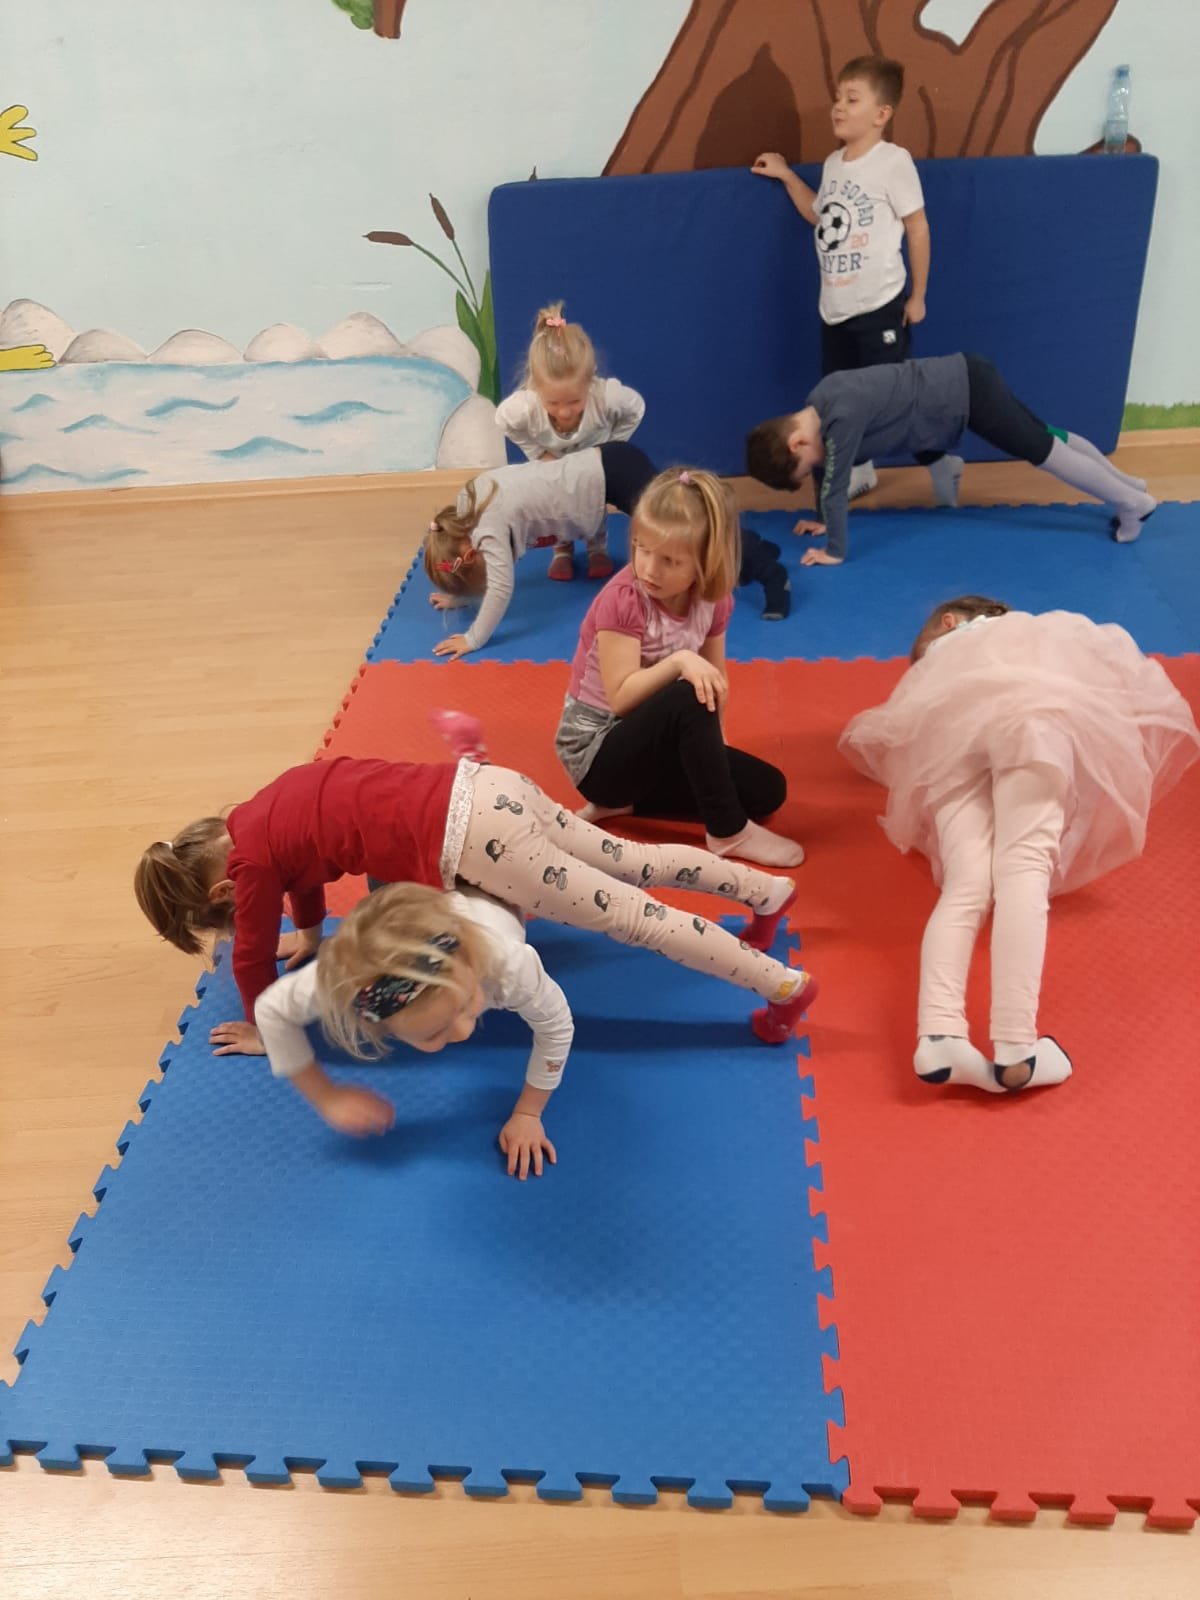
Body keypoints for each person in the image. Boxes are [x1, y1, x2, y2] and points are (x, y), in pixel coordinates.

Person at [133, 754, 817, 1056]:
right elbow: (302, 876)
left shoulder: (249, 868)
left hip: (483, 842)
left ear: (223, 892)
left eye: (230, 915)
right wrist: (311, 936)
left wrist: (264, 1025)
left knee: (637, 918)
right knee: (631, 860)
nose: (248, 915)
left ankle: (781, 986)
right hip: (489, 786)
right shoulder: (264, 811)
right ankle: (764, 892)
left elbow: (252, 956)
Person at [839, 596, 1199, 1091]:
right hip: (1029, 722)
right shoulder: (1025, 635)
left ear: (949, 623)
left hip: (946, 743)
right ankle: (1016, 1048)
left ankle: (940, 1033)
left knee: (966, 886)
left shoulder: (940, 674)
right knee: (1023, 870)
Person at [555, 467, 804, 869]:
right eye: (641, 549)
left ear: (704, 561)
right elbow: (621, 699)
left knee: (767, 791)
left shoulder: (713, 600)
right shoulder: (624, 600)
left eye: (669, 560)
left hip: (653, 748)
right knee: (688, 687)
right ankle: (727, 831)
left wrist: (713, 755)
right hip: (597, 755)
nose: (650, 569)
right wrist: (679, 661)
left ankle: (626, 805)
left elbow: (716, 680)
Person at [251, 883, 572, 1179]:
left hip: (507, 878)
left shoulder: (507, 964)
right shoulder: (347, 982)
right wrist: (326, 1096)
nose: (463, 1032)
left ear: (471, 964)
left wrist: (528, 1113)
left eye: (466, 1002)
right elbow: (271, 1010)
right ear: (378, 1026)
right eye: (433, 1034)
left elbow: (556, 1026)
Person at [744, 353, 1156, 565]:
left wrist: (834, 550)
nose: (817, 466)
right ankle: (1130, 485)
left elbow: (834, 483)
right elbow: (829, 475)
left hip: (967, 395)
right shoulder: (821, 398)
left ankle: (1132, 503)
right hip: (968, 374)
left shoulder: (841, 417)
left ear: (797, 442)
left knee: (1043, 451)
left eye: (808, 464)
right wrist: (823, 518)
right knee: (1047, 435)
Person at [753, 54, 931, 501]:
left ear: (881, 114)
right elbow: (820, 215)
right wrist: (787, 176)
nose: (838, 106)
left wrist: (918, 296)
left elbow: (917, 227)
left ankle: (938, 457)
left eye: (852, 99)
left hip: (879, 305)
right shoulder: (834, 163)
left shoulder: (893, 161)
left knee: (890, 398)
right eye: (837, 97)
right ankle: (859, 470)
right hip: (835, 310)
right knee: (840, 401)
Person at [423, 441, 656, 657]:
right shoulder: (468, 500)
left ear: (471, 555)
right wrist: (463, 595)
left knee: (667, 525)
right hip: (606, 459)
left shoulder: (488, 530)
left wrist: (472, 639)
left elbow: (500, 588)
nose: (492, 565)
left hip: (615, 474)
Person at [495, 304, 645, 581]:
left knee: (594, 502)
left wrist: (612, 448)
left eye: (575, 401)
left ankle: (597, 549)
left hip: (594, 466)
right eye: (553, 402)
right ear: (537, 388)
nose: (564, 412)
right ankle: (562, 550)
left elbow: (636, 408)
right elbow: (502, 420)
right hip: (557, 467)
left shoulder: (606, 397)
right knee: (557, 507)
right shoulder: (525, 407)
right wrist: (538, 452)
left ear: (590, 383)